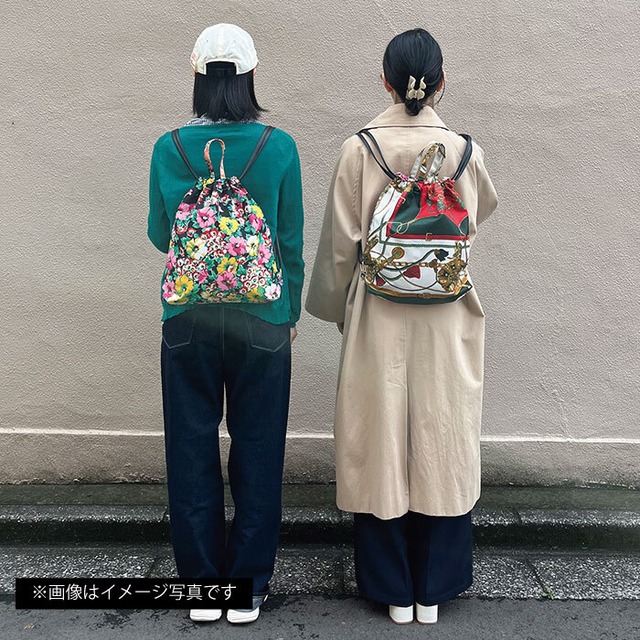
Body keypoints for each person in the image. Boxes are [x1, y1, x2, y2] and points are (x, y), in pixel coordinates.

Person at [305, 28, 497, 625]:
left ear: (385, 81)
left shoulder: (360, 149)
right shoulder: (464, 151)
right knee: (442, 435)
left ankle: (391, 587)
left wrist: (337, 309)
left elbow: (341, 247)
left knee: (380, 437)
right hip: (446, 313)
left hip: (379, 311)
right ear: (441, 83)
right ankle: (433, 588)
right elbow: (480, 213)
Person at [147, 23, 304, 624]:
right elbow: (288, 240)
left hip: (187, 316)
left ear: (197, 78)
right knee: (259, 448)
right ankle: (249, 587)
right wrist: (289, 312)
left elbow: (160, 234)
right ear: (250, 76)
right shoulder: (279, 147)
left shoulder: (169, 148)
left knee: (190, 448)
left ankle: (203, 588)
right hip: (262, 318)